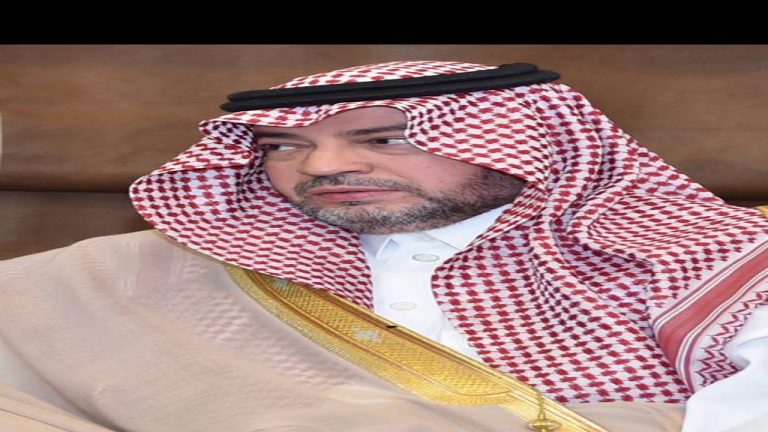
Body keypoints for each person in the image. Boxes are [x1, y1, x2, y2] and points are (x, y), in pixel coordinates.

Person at [0, 60, 766, 432]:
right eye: (284, 146)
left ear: (521, 142)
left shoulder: (706, 250)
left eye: (384, 139)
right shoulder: (166, 267)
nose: (322, 166)